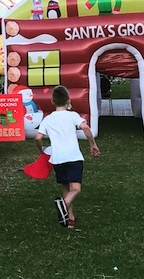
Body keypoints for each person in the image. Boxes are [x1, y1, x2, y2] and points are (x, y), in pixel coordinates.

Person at [35, 85, 100, 229]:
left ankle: (69, 219)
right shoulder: (73, 116)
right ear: (68, 101)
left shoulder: (48, 119)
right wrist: (92, 144)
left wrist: (41, 150)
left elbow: (38, 137)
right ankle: (63, 205)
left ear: (52, 101)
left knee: (66, 187)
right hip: (73, 157)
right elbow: (86, 128)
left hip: (58, 159)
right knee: (75, 189)